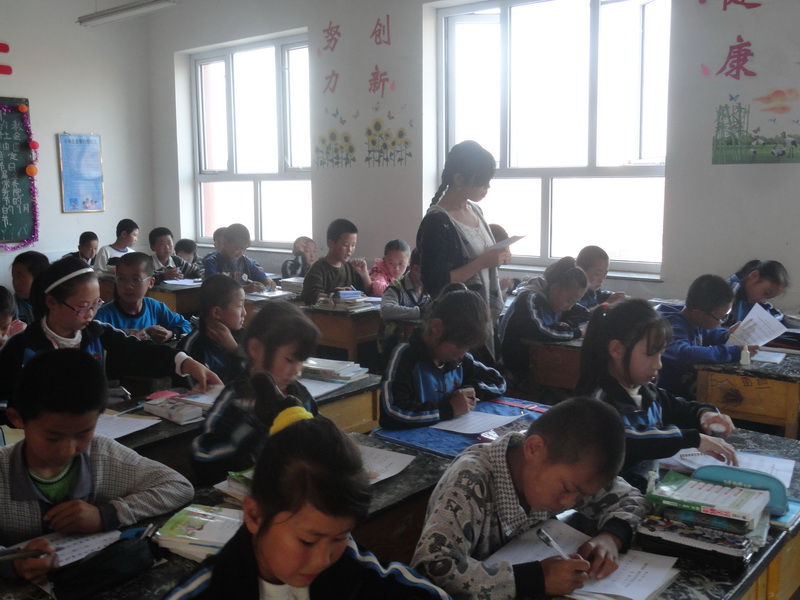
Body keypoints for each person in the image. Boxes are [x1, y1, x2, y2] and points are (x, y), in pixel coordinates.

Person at [165, 381, 448, 600]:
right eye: (307, 542)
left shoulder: (345, 564)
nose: (322, 560)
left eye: (341, 537)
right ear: (254, 515)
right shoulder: (209, 591)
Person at [411, 397, 649, 599]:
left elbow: (631, 498)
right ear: (534, 449)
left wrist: (611, 537)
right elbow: (431, 567)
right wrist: (534, 579)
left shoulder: (565, 471)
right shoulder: (470, 480)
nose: (569, 503)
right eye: (567, 489)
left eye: (582, 496)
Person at [0, 349, 194, 582]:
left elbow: (178, 486)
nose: (68, 450)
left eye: (83, 433)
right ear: (17, 419)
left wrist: (108, 515)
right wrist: (12, 565)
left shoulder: (102, 454)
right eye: (52, 437)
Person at [0, 257, 220, 419]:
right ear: (52, 302)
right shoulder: (22, 347)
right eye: (83, 306)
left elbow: (139, 352)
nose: (91, 314)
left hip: (100, 425)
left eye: (96, 304)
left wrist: (186, 362)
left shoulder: (98, 334)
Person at [576, 298, 737, 491]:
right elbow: (628, 438)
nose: (658, 364)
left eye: (661, 353)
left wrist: (705, 414)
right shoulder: (596, 402)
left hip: (643, 487)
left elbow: (681, 408)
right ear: (616, 350)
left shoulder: (647, 392)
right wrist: (694, 439)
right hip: (608, 497)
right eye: (650, 353)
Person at [191, 301, 320, 484]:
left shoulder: (300, 396)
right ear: (255, 349)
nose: (297, 370)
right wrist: (253, 429)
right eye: (290, 360)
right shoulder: (235, 398)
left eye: (302, 361)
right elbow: (201, 455)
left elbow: (316, 441)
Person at [416, 141, 511, 358]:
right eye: (482, 182)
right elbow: (435, 283)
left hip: (481, 312)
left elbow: (483, 259)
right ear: (459, 179)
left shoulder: (475, 210)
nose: (487, 187)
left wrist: (499, 257)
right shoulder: (436, 221)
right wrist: (483, 262)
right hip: (457, 323)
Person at [380, 283, 505, 429]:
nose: (462, 354)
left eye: (468, 348)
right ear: (437, 328)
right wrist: (448, 410)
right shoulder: (405, 356)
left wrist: (470, 390)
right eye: (459, 346)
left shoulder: (459, 360)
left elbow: (499, 382)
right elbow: (392, 412)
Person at [657, 274, 754, 400]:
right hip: (670, 399)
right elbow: (684, 353)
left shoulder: (694, 319)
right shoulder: (670, 326)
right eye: (721, 317)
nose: (721, 323)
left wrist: (728, 336)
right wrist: (732, 352)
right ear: (698, 313)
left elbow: (711, 333)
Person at [498, 256, 590, 386]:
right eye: (570, 301)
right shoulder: (529, 299)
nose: (570, 307)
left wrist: (568, 324)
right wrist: (578, 332)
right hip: (515, 371)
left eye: (574, 302)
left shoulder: (557, 299)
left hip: (539, 364)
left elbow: (585, 314)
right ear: (555, 288)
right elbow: (542, 332)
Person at [95, 252, 192, 343]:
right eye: (121, 279)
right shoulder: (102, 316)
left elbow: (187, 326)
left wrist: (171, 334)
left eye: (136, 279)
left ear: (151, 283)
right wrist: (123, 340)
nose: (128, 286)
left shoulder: (155, 308)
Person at [179, 274, 247, 385]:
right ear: (216, 312)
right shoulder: (191, 347)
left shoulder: (244, 336)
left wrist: (235, 350)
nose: (244, 313)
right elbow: (194, 392)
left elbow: (254, 378)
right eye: (240, 306)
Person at [300, 218, 372, 305]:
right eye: (345, 245)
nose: (350, 250)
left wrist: (364, 274)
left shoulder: (351, 267)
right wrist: (338, 296)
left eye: (353, 245)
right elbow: (312, 296)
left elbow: (367, 292)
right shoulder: (318, 269)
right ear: (330, 243)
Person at [379, 247, 431, 359]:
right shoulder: (395, 288)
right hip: (396, 349)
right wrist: (420, 312)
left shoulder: (430, 288)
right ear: (416, 269)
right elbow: (386, 310)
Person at [203, 223, 276, 294]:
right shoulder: (212, 262)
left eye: (244, 249)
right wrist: (245, 288)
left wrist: (267, 280)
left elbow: (261, 276)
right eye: (237, 248)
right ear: (225, 243)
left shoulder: (245, 261)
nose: (241, 252)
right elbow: (215, 288)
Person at [723, 259, 790, 326]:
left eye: (769, 297)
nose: (762, 300)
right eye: (766, 293)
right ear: (754, 276)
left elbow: (776, 316)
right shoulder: (728, 292)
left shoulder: (752, 298)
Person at [575, 245, 625, 310]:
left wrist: (617, 297)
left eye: (604, 275)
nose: (601, 280)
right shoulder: (575, 296)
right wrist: (606, 304)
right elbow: (584, 314)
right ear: (582, 271)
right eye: (597, 274)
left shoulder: (593, 292)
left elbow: (604, 294)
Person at [11, 251, 49, 325]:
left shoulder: (52, 304)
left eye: (21, 277)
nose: (15, 283)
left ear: (39, 278)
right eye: (13, 277)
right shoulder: (11, 306)